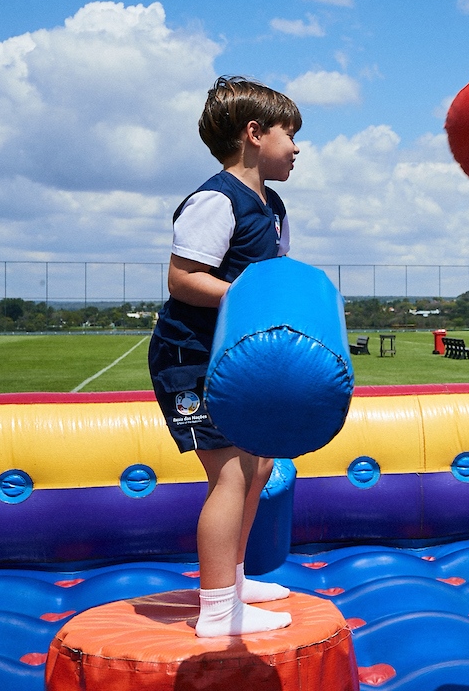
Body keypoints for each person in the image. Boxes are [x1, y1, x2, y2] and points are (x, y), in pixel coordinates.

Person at [147, 76, 301, 636]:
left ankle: (232, 580)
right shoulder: (216, 199)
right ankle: (217, 609)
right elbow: (185, 278)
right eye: (290, 134)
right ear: (254, 134)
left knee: (258, 466)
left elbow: (273, 277)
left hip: (231, 357)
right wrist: (248, 296)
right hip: (188, 357)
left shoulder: (274, 206)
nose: (297, 147)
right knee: (231, 474)